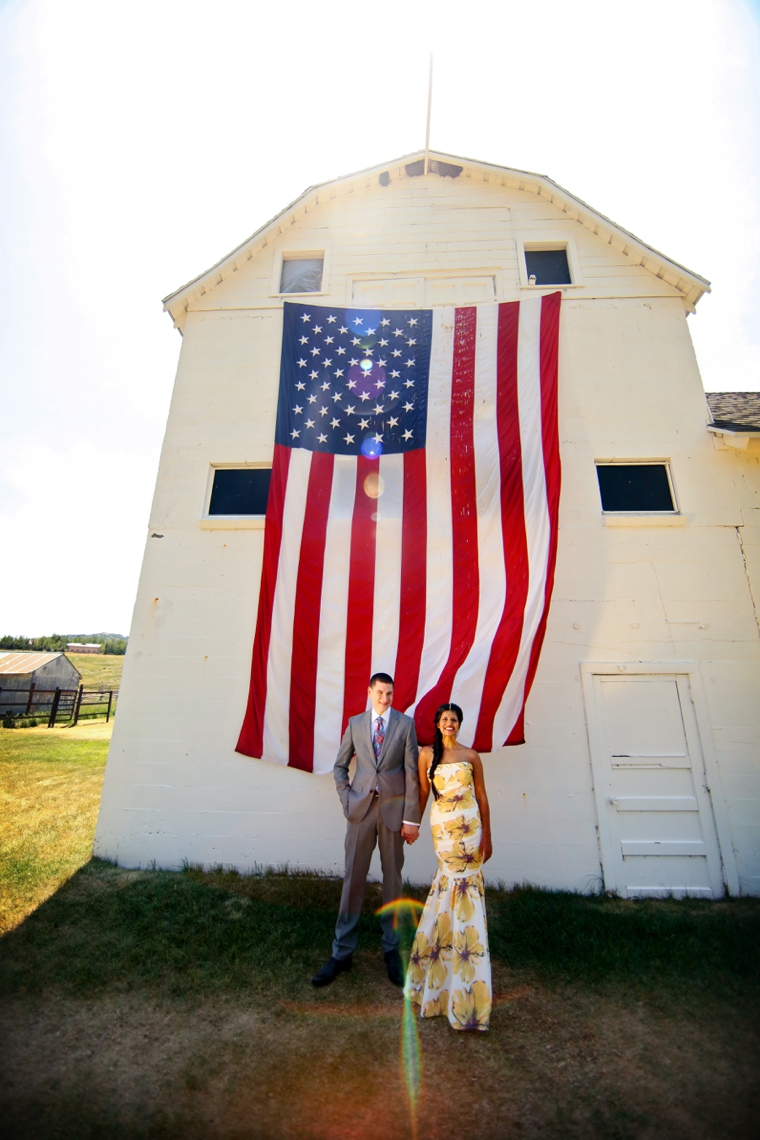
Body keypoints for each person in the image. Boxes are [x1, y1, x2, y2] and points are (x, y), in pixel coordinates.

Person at [312, 672, 421, 988]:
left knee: (393, 882)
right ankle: (341, 953)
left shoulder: (405, 725)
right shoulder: (356, 723)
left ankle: (392, 950)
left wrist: (410, 818)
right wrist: (347, 798)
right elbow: (340, 765)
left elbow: (413, 775)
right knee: (352, 881)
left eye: (389, 693)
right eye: (380, 693)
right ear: (370, 691)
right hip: (360, 812)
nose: (385, 699)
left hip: (393, 813)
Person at [404, 702, 493, 1031]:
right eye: (445, 719)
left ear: (460, 723)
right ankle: (436, 966)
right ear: (438, 724)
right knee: (446, 889)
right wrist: (411, 823)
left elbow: (482, 795)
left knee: (467, 890)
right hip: (443, 831)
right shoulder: (427, 754)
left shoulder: (472, 756)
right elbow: (424, 793)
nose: (449, 723)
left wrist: (489, 836)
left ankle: (468, 973)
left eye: (454, 719)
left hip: (471, 831)